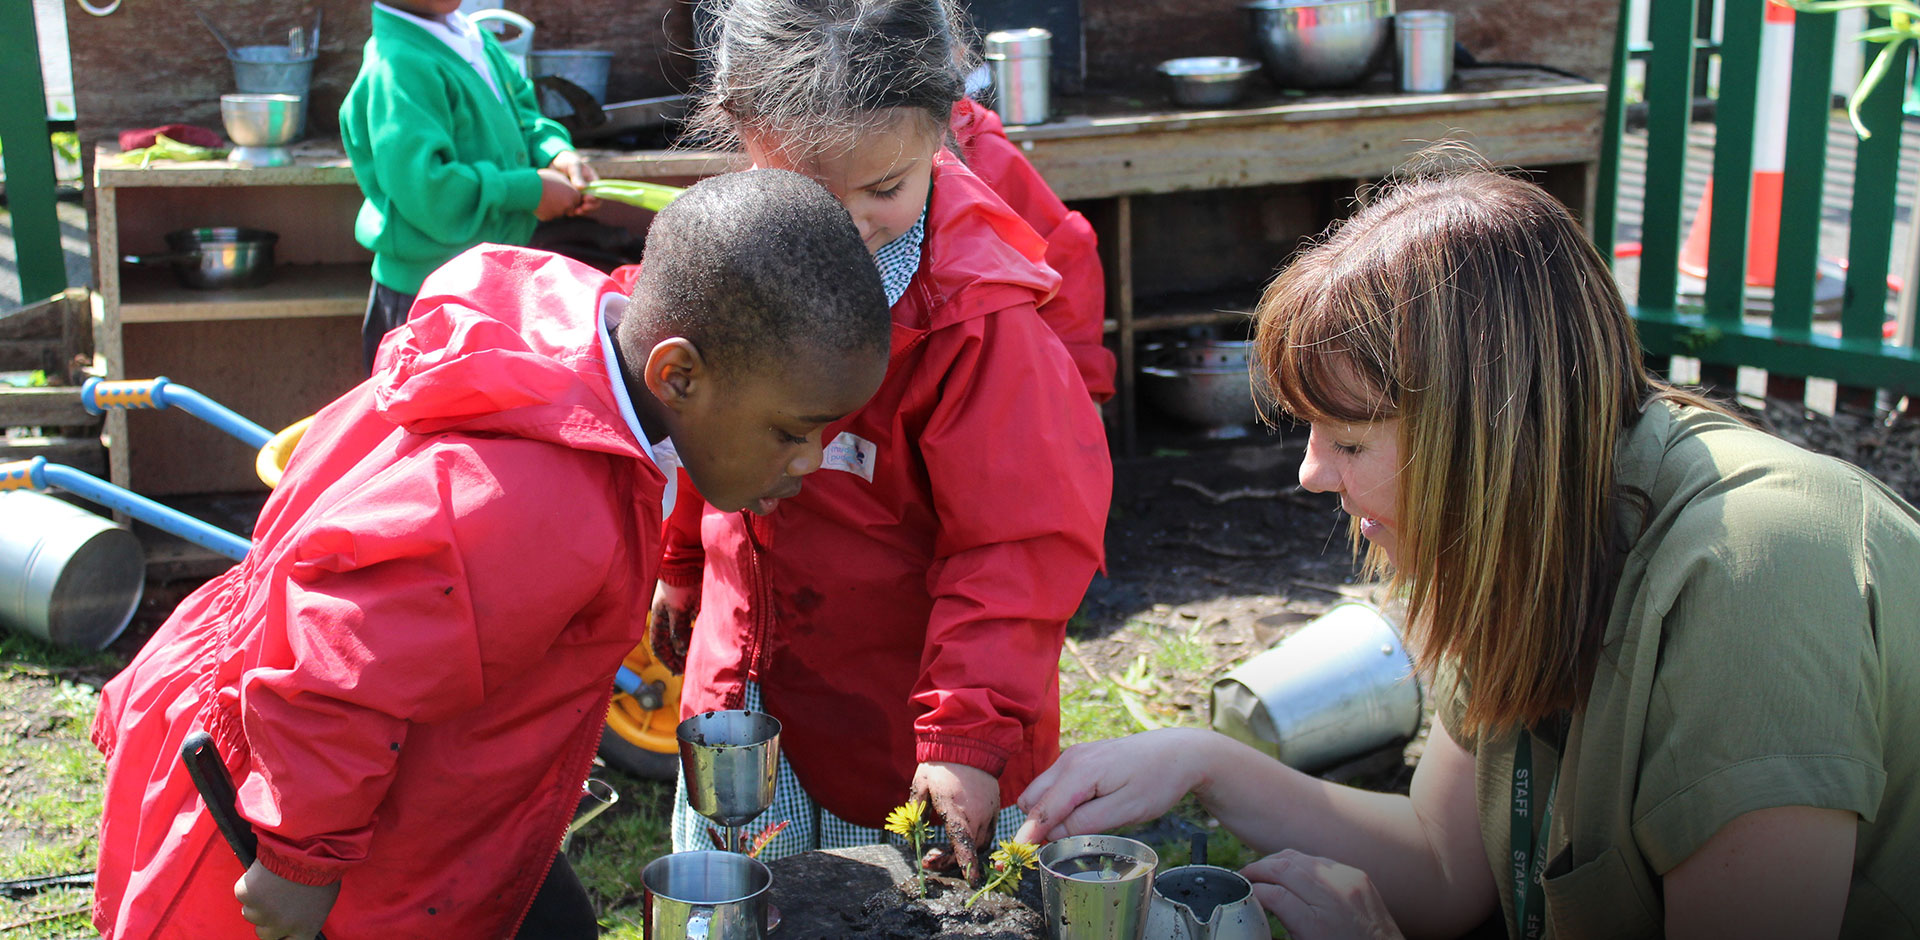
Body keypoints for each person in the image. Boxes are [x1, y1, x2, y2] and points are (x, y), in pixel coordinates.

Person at [1013, 163, 1920, 938]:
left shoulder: (1761, 567)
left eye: (1350, 440)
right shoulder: (1525, 527)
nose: (1311, 474)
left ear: (1487, 434)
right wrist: (1202, 761)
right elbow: (1447, 864)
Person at [88, 170, 891, 940]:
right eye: (791, 431)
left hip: (396, 798)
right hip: (284, 817)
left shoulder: (576, 344)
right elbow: (337, 660)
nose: (809, 461)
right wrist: (301, 857)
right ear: (677, 375)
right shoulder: (535, 500)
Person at [648, 0, 1114, 876]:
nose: (854, 223)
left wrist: (966, 734)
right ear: (744, 130)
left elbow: (1018, 545)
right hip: (743, 680)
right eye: (816, 192)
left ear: (943, 130)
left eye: (886, 188)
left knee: (899, 904)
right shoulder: (726, 254)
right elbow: (693, 429)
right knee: (746, 896)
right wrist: (679, 562)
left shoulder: (975, 323)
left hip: (911, 722)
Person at [340, 0, 602, 374]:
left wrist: (555, 153)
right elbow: (430, 194)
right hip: (428, 301)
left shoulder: (473, 38)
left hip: (493, 285)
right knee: (433, 410)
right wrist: (531, 191)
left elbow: (523, 114)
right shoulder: (397, 68)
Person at [948, 93, 1115, 402]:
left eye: (888, 190)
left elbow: (1065, 256)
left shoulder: (979, 152)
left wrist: (1079, 389)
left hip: (989, 393)